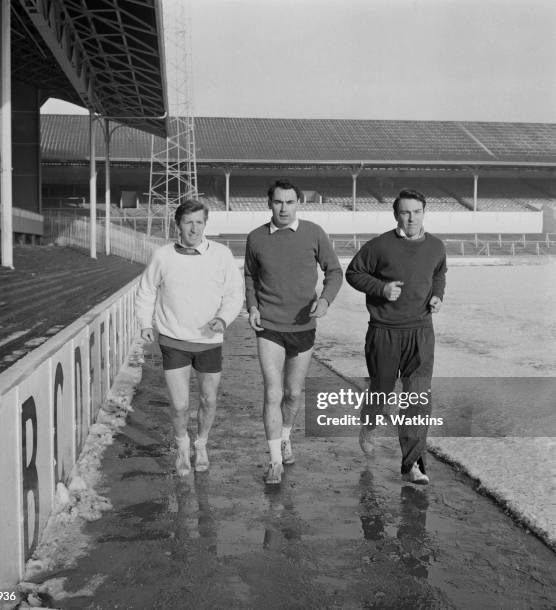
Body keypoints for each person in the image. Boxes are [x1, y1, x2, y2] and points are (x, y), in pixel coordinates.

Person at [244, 178, 343, 484]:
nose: (283, 208)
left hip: (303, 325)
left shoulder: (314, 233)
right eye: (278, 202)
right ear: (269, 203)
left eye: (289, 202)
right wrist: (253, 307)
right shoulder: (256, 238)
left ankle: (285, 437)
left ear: (298, 203)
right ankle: (274, 460)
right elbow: (249, 276)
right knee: (273, 392)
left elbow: (335, 272)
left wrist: (325, 300)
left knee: (293, 393)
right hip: (269, 326)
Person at [135, 199, 244, 476]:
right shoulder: (163, 255)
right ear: (178, 225)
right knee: (180, 405)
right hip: (173, 340)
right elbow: (146, 290)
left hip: (209, 341)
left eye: (199, 222)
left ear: (205, 224)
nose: (194, 228)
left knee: (208, 400)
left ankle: (202, 444)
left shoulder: (221, 254)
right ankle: (182, 447)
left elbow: (234, 294)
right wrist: (145, 323)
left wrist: (223, 318)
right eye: (188, 222)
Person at [345, 188, 447, 485]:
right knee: (382, 392)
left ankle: (413, 465)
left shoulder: (436, 246)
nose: (411, 217)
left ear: (424, 212)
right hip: (384, 332)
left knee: (418, 399)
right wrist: (382, 289)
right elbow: (354, 273)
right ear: (396, 215)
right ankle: (369, 423)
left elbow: (439, 273)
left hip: (421, 332)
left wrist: (438, 296)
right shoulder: (379, 246)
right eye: (405, 212)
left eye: (416, 211)